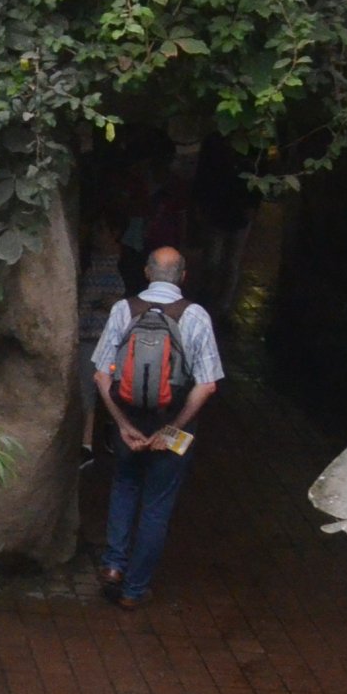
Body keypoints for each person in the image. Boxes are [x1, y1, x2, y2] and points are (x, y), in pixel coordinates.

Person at [91, 245, 225, 608]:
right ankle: (134, 591)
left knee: (124, 486)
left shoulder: (124, 309)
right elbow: (207, 385)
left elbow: (101, 376)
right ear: (183, 277)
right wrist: (172, 430)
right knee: (157, 504)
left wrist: (122, 424)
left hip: (129, 418)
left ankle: (114, 566)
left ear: (147, 273)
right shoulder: (195, 315)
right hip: (173, 421)